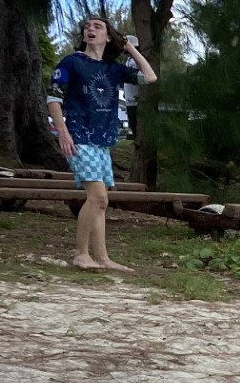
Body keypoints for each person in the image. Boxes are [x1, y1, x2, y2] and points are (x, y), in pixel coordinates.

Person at [47, 16, 158, 272]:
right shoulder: (72, 62)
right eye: (86, 26)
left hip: (102, 140)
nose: (90, 29)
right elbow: (54, 97)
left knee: (101, 201)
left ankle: (103, 257)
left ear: (108, 37)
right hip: (78, 136)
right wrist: (62, 132)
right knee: (97, 197)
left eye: (97, 26)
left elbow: (149, 77)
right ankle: (80, 254)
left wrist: (129, 48)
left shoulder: (114, 69)